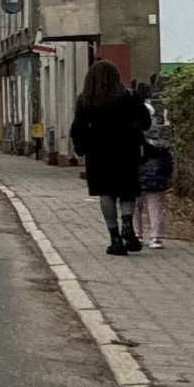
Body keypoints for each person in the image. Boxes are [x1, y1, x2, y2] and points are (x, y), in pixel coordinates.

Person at [69, 59, 150, 256]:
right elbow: (145, 123)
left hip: (98, 153)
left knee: (106, 194)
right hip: (126, 150)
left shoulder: (85, 100)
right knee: (127, 191)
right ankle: (128, 222)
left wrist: (80, 149)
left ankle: (115, 239)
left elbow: (77, 128)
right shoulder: (128, 97)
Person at [137, 123, 173, 249]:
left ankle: (137, 234)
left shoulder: (134, 144)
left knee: (135, 209)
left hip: (136, 180)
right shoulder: (162, 147)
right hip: (156, 182)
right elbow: (168, 165)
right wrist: (165, 177)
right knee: (155, 209)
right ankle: (156, 237)